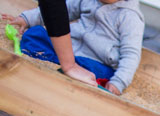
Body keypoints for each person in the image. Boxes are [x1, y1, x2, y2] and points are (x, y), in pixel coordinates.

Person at [7, 0, 145, 95]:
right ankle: (53, 61)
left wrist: (118, 82)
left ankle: (53, 62)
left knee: (99, 74)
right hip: (68, 49)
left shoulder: (130, 17)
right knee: (35, 33)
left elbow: (131, 55)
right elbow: (58, 10)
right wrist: (26, 18)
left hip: (96, 61)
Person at [1, 0, 96, 85]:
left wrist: (112, 83)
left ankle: (53, 59)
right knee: (35, 32)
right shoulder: (86, 1)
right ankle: (50, 58)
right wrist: (26, 19)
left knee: (99, 70)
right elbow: (53, 10)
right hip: (64, 47)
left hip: (91, 60)